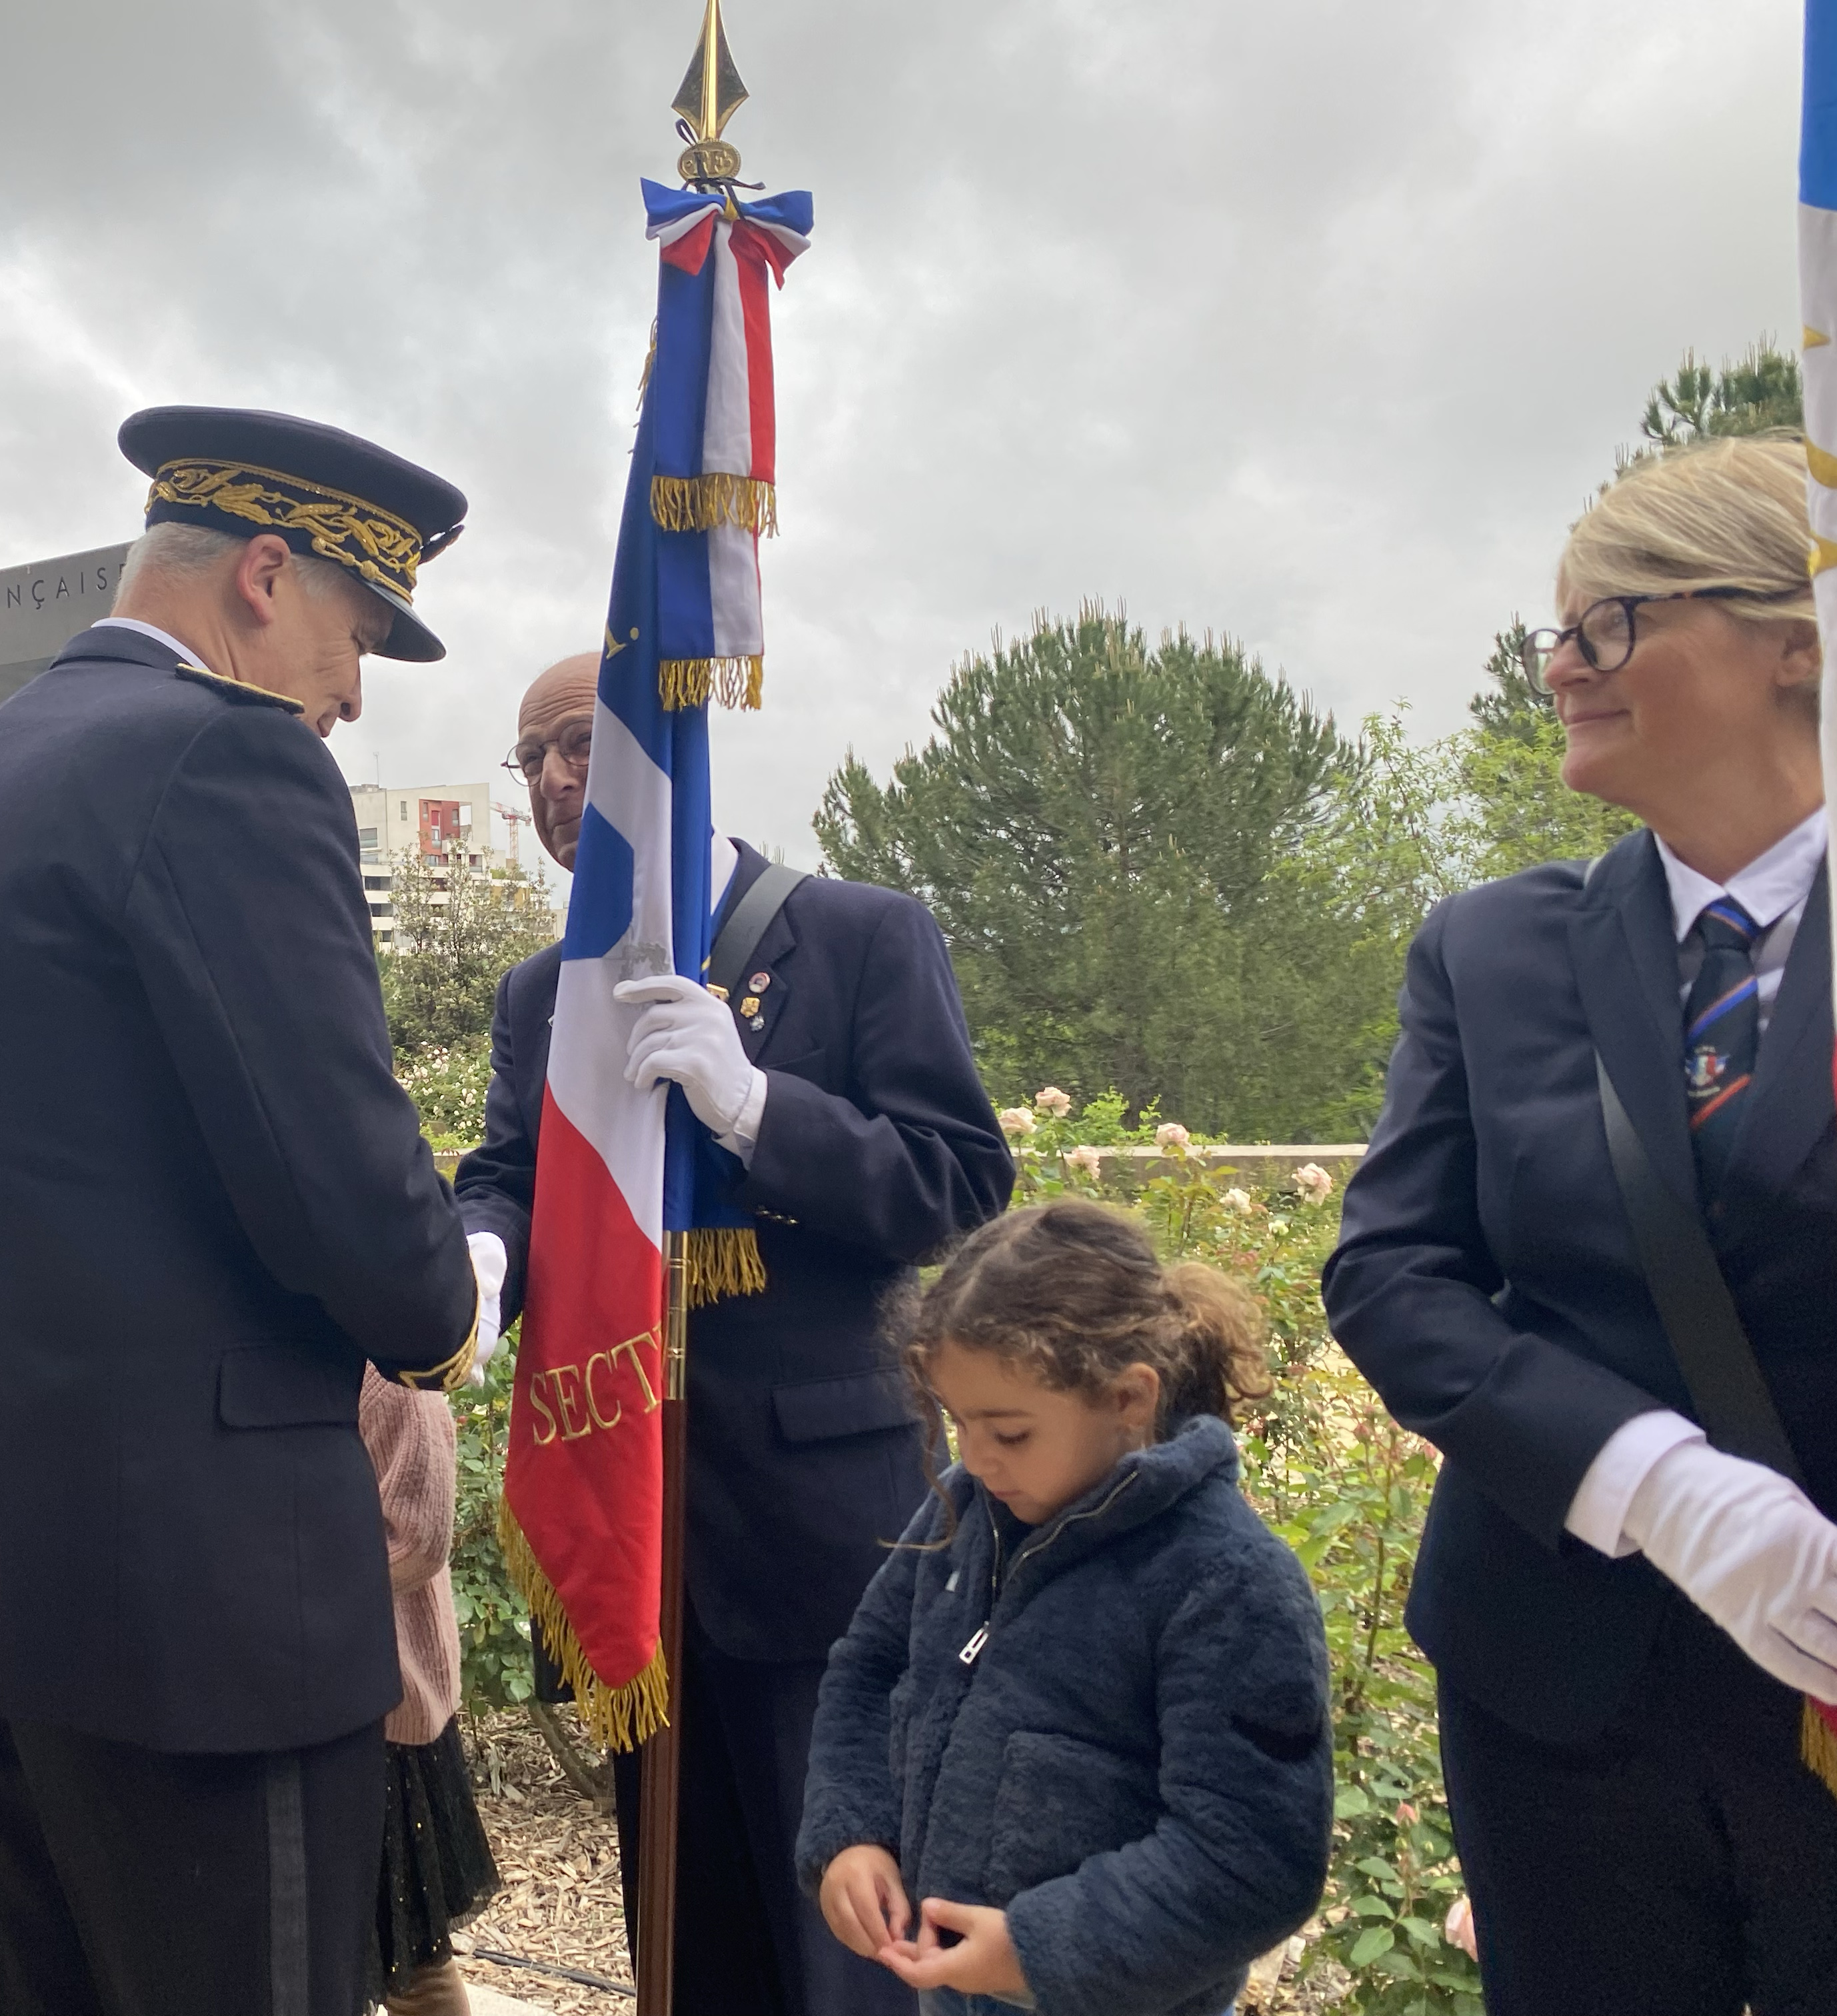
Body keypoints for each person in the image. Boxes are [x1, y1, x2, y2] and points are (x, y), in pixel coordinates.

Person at [0, 406, 491, 2016]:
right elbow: (344, 1190)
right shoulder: (229, 760)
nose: (351, 693)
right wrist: (462, 1287)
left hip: (4, 1562)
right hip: (208, 1601)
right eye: (360, 636)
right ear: (267, 577)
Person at [1324, 432, 1837, 2011]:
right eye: (1557, 628)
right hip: (1565, 1686)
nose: (1561, 665)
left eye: (1611, 622)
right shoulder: (1495, 950)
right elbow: (1394, 1274)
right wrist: (1663, 1489)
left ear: (1795, 645)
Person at [451, 653, 1014, 2013]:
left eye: (585, 744)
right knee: (686, 1942)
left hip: (823, 1535)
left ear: (675, 751)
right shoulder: (545, 992)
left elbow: (957, 1182)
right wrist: (478, 1259)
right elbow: (513, 1170)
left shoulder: (862, 935)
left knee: (851, 1948)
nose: (558, 783)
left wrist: (760, 1109)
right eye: (532, 760)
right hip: (630, 1522)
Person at [800, 1200, 1332, 2015]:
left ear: (1129, 1399)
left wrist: (1038, 1950)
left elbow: (1253, 1855)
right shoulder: (972, 1507)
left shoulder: (1226, 1583)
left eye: (1009, 1433)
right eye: (958, 1423)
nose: (974, 1458)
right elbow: (869, 1669)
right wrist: (853, 1833)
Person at [357, 1366, 500, 2016]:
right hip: (333, 1691)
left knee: (411, 1966)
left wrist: (293, 1580)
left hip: (391, 1706)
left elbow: (420, 1536)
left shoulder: (391, 1372)